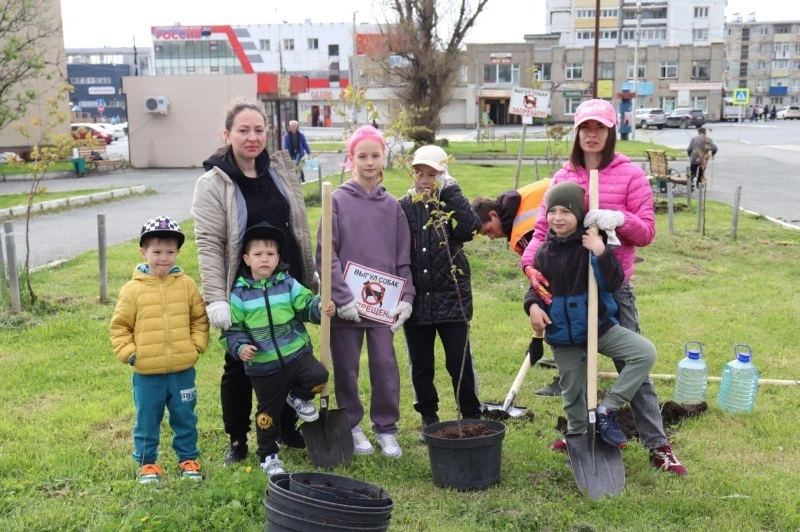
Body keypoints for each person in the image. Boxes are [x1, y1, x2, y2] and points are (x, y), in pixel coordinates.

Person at [520, 99, 687, 475]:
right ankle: (579, 433)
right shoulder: (564, 176)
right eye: (585, 127)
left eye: (599, 128)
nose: (591, 134)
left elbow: (646, 232)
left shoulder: (630, 175)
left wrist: (619, 219)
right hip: (567, 290)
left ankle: (657, 443)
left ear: (611, 132)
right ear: (577, 132)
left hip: (613, 287)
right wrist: (530, 266)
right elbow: (542, 231)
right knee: (573, 369)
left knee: (633, 361)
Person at [192, 99, 317, 467]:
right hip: (241, 290)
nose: (252, 137)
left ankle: (286, 427)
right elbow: (209, 243)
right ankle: (238, 439)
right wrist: (216, 298)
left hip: (285, 280)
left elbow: (298, 225)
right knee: (240, 363)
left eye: (259, 130)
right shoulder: (213, 183)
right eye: (243, 130)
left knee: (291, 355)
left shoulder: (279, 171)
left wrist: (308, 272)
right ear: (226, 134)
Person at [524, 182, 656, 449]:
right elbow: (537, 288)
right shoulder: (544, 252)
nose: (557, 217)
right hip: (563, 334)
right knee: (572, 391)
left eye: (566, 211)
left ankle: (608, 409)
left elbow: (613, 281)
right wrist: (534, 306)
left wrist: (601, 252)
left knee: (644, 353)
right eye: (552, 211)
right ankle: (577, 437)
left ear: (579, 214)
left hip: (598, 327)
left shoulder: (592, 243)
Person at [318, 125, 415, 458]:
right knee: (346, 367)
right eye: (362, 156)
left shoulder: (393, 207)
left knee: (385, 365)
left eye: (375, 155)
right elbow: (326, 253)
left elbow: (403, 259)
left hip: (382, 305)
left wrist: (406, 298)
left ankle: (386, 428)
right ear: (351, 159)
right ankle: (351, 424)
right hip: (347, 305)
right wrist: (342, 297)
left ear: (383, 157)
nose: (369, 162)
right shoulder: (337, 201)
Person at [220, 222, 335, 476]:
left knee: (319, 376)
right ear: (246, 259)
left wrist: (318, 307)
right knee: (267, 414)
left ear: (278, 258)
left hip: (296, 354)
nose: (265, 259)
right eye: (258, 254)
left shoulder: (288, 284)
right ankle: (268, 455)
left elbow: (306, 303)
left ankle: (297, 397)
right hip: (264, 366)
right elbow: (232, 329)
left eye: (270, 254)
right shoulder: (239, 294)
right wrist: (240, 347)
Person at [109, 216, 210, 484]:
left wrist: (196, 346)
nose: (163, 258)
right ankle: (147, 463)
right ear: (143, 252)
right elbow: (120, 327)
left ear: (177, 252)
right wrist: (130, 353)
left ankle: (188, 459)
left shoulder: (187, 285)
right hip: (147, 373)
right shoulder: (132, 290)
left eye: (170, 252)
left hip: (182, 371)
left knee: (185, 417)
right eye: (157, 252)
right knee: (147, 419)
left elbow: (199, 320)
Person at [399, 145, 483, 441]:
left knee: (459, 359)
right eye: (419, 173)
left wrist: (451, 192)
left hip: (451, 296)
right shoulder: (404, 206)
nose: (424, 180)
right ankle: (428, 414)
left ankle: (471, 413)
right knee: (421, 363)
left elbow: (470, 229)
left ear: (443, 176)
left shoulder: (450, 204)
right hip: (417, 299)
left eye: (432, 174)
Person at [472, 178, 562, 396]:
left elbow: (544, 277)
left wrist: (537, 334)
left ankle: (568, 375)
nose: (491, 237)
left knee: (560, 310)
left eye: (488, 230)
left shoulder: (523, 232)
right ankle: (565, 361)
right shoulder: (515, 203)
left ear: (493, 215)